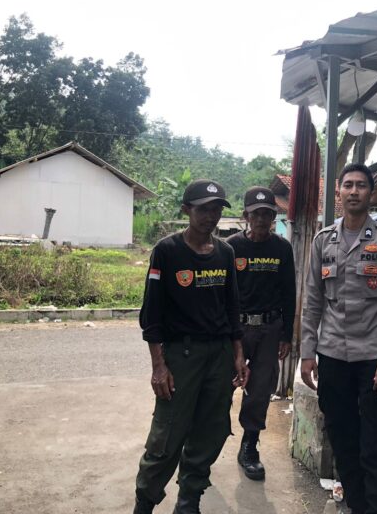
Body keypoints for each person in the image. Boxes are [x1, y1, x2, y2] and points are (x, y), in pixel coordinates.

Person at [300, 163, 377, 514]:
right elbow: (312, 300)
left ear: (371, 193)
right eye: (347, 185)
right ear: (338, 192)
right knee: (342, 438)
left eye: (361, 185)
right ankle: (356, 505)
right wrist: (307, 352)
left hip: (374, 359)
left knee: (375, 442)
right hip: (333, 356)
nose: (354, 191)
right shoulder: (323, 240)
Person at [133, 179, 249, 514]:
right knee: (167, 435)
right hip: (181, 356)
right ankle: (145, 502)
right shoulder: (167, 251)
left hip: (219, 355)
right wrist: (159, 365)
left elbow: (232, 308)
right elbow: (152, 314)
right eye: (203, 209)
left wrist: (238, 354)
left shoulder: (225, 252)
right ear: (187, 210)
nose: (210, 216)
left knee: (210, 431)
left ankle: (189, 501)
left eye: (216, 210)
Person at [226, 186, 296, 481]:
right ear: (246, 216)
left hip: (270, 329)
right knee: (221, 386)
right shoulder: (230, 247)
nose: (261, 220)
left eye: (267, 214)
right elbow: (222, 294)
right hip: (236, 329)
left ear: (273, 217)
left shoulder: (282, 248)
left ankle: (249, 446)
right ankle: (205, 442)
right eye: (256, 214)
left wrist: (287, 335)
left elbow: (289, 293)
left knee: (260, 390)